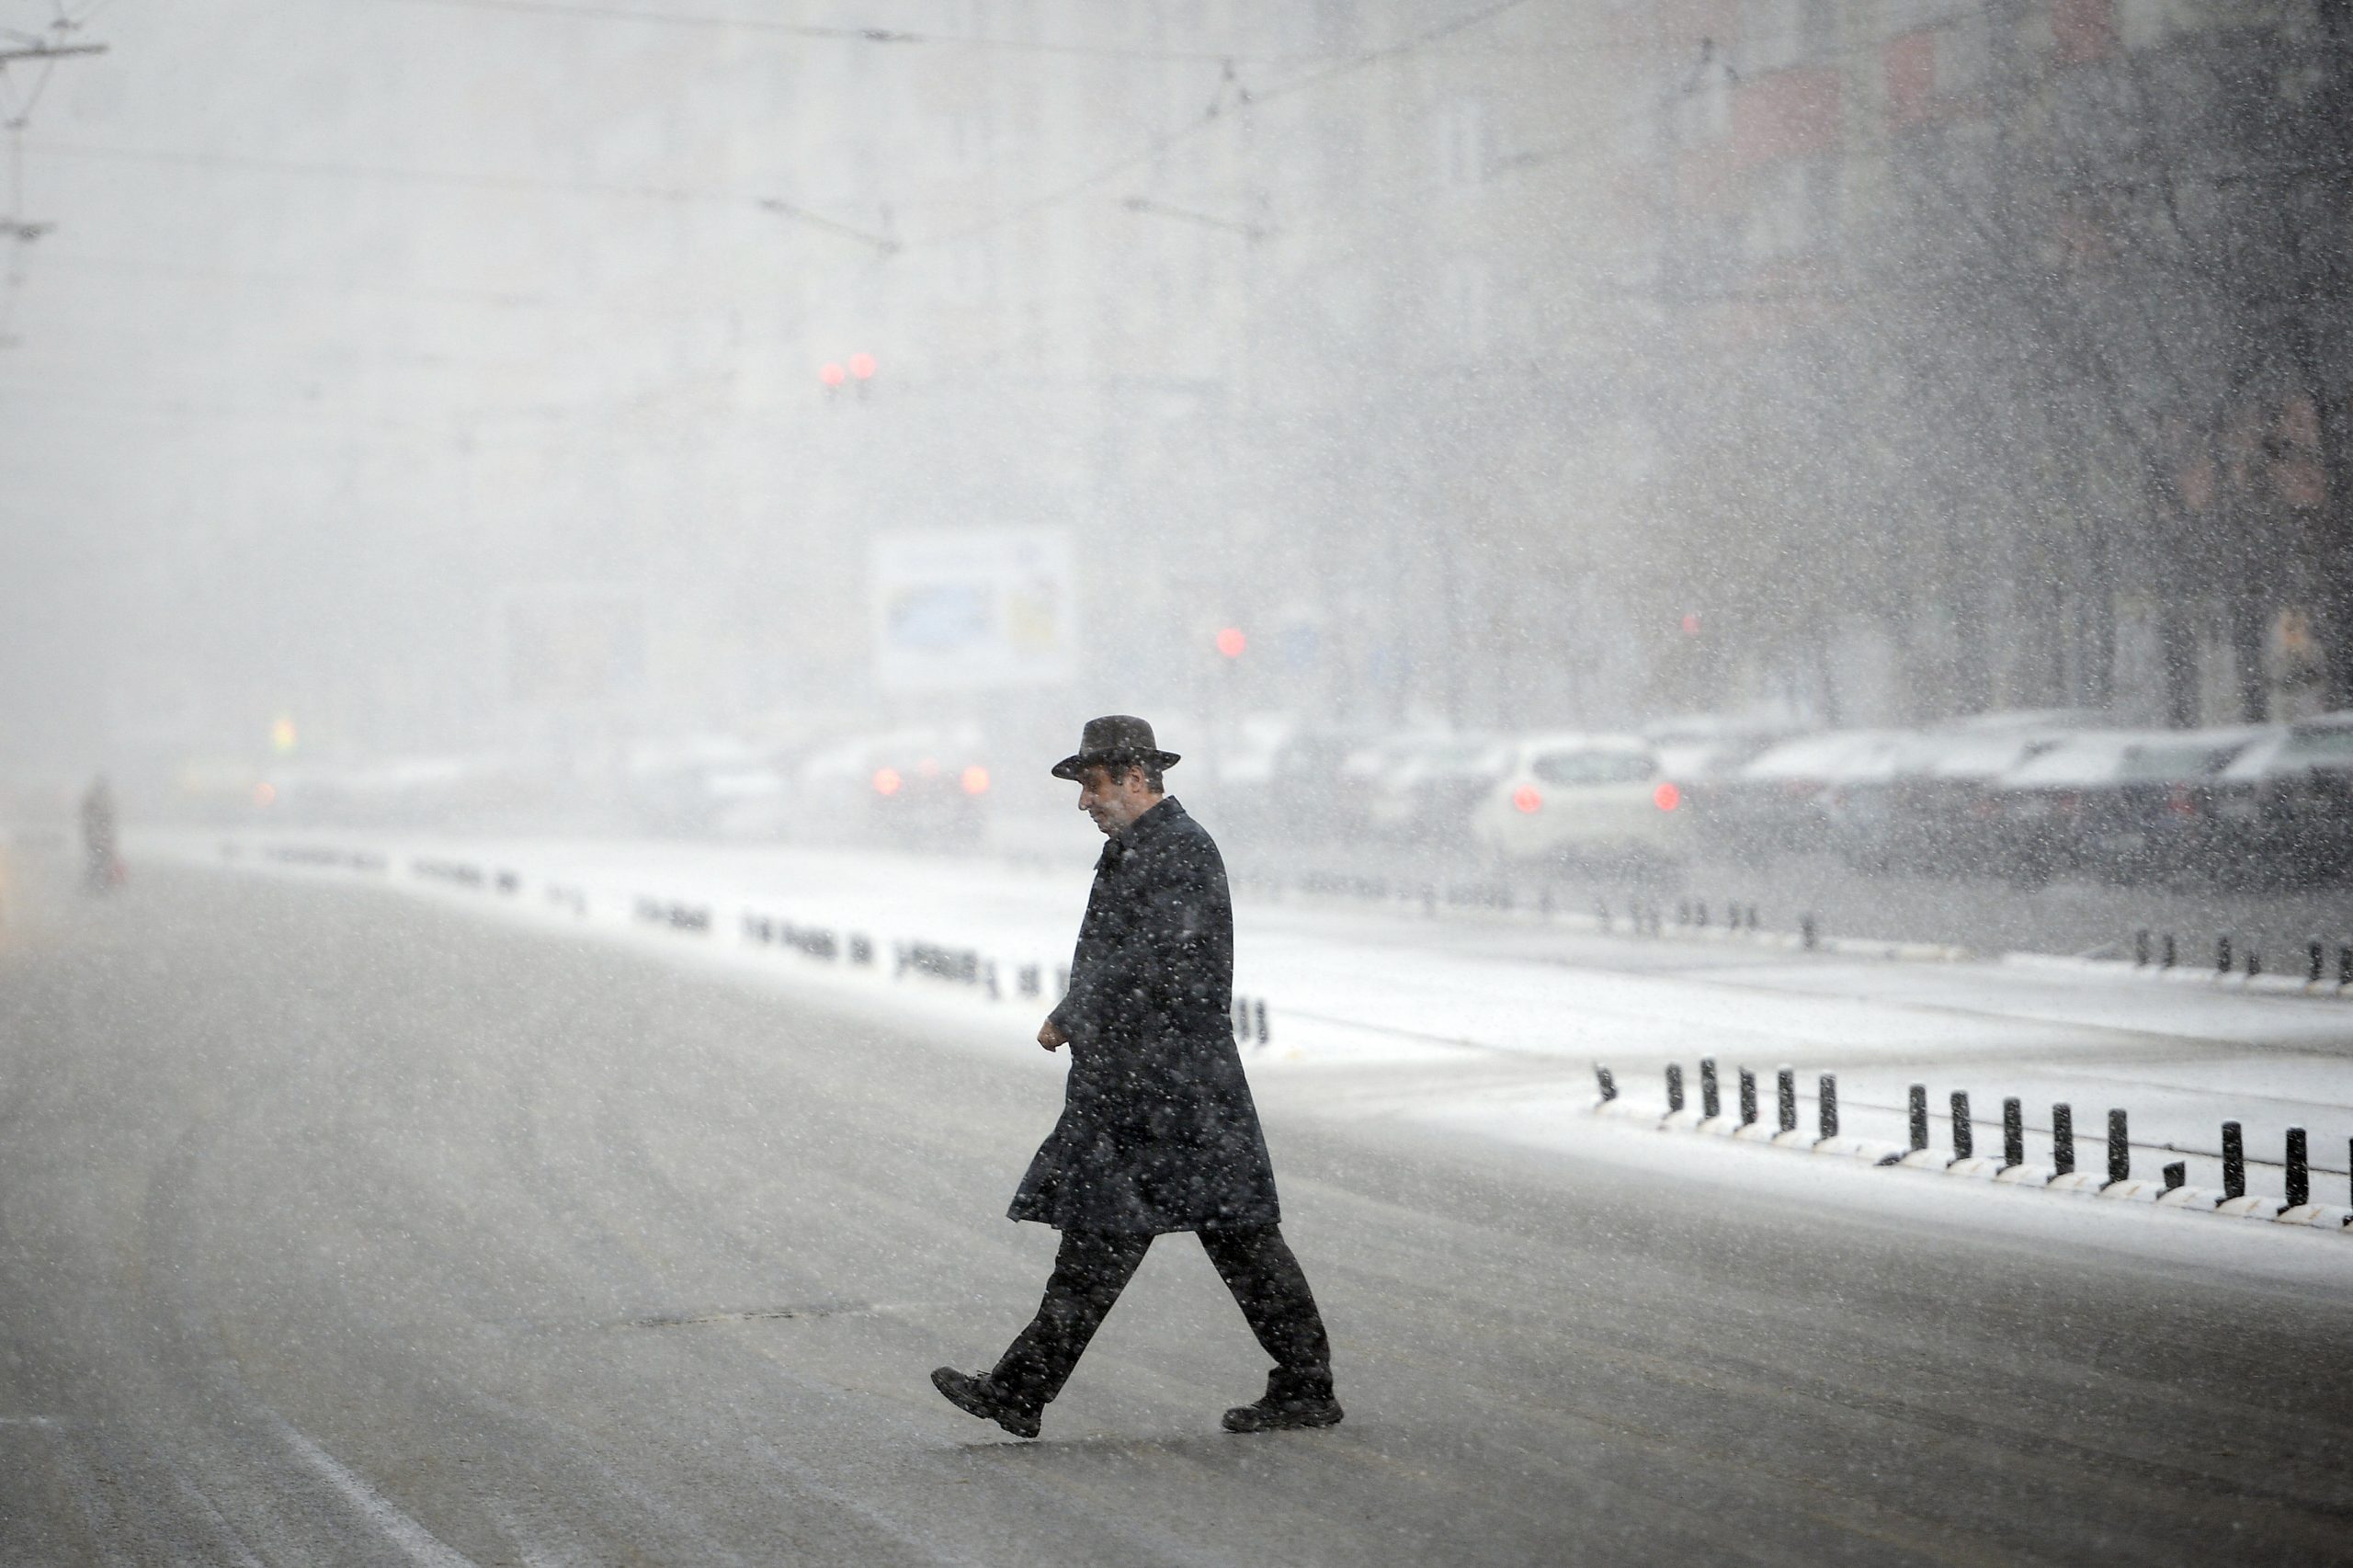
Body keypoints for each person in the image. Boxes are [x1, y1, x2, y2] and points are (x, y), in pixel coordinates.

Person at [932, 715, 1340, 1440]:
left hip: (1172, 1090)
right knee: (1150, 1240)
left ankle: (1023, 1389)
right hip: (1147, 1085)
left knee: (1217, 1239)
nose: (1084, 802)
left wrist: (1073, 1011)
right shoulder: (1139, 849)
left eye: (1092, 786)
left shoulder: (1179, 849)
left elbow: (1158, 956)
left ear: (1134, 778)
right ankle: (1021, 1389)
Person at [80, 775, 119, 892]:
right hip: (100, 836)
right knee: (100, 861)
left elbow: (86, 817)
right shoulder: (105, 799)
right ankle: (98, 884)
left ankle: (94, 883)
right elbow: (109, 819)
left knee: (96, 861)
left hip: (96, 836)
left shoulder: (92, 798)